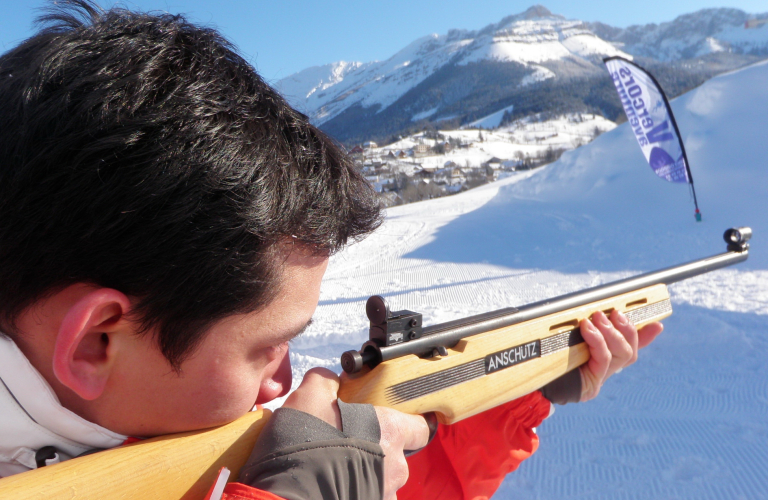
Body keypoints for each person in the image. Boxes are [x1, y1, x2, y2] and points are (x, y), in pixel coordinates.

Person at [0, 2, 663, 499]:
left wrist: (516, 385)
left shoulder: (121, 418)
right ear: (97, 342)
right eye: (265, 347)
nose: (283, 383)